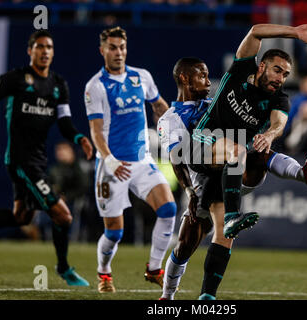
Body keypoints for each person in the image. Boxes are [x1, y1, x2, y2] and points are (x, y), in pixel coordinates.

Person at [158, 56, 307, 300]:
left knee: (258, 152)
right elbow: (177, 158)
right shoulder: (170, 119)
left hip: (233, 168)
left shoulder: (214, 102)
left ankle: (303, 173)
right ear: (184, 79)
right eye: (202, 76)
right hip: (202, 183)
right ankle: (167, 295)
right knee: (187, 244)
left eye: (208, 75)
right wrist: (190, 192)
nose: (208, 81)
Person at [0, 30, 93, 286]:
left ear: (53, 52)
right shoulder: (16, 78)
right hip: (20, 161)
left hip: (37, 161)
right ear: (30, 51)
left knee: (21, 217)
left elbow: (65, 121)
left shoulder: (58, 85)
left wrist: (79, 138)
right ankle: (64, 267)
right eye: (40, 46)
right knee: (64, 216)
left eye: (49, 47)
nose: (45, 51)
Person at [190, 22, 307, 242]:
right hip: (199, 146)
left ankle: (303, 174)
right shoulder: (242, 69)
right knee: (239, 150)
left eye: (286, 75)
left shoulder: (280, 98)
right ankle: (232, 216)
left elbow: (279, 124)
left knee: (214, 242)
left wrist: (269, 135)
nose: (281, 78)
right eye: (277, 70)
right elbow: (255, 31)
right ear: (262, 66)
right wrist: (295, 33)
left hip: (232, 167)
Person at [84, 26, 176, 293]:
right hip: (113, 166)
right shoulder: (95, 86)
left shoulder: (141, 77)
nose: (118, 53)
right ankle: (104, 273)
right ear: (102, 51)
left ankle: (154, 268)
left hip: (141, 161)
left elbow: (159, 106)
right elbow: (95, 129)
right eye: (112, 48)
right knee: (114, 233)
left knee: (168, 210)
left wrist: (173, 122)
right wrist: (109, 159)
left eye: (122, 47)